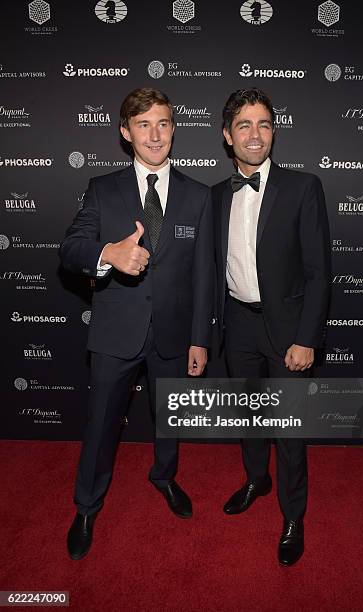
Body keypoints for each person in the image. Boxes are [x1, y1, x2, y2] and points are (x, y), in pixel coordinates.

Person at [60, 87, 213, 560]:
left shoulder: (199, 195)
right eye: (143, 124)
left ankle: (164, 477)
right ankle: (87, 505)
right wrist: (109, 253)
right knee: (102, 423)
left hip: (172, 333)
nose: (154, 134)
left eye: (163, 123)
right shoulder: (102, 188)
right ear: (126, 134)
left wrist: (200, 340)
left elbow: (204, 274)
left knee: (170, 419)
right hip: (115, 332)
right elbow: (71, 248)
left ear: (174, 130)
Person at [213, 88, 331, 566]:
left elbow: (319, 272)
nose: (254, 134)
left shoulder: (304, 187)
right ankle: (255, 481)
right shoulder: (217, 196)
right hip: (237, 325)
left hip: (287, 332)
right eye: (244, 125)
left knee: (289, 431)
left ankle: (293, 514)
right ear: (227, 135)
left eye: (263, 124)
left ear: (273, 131)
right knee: (249, 418)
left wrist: (307, 338)